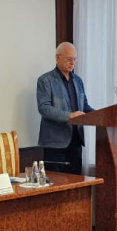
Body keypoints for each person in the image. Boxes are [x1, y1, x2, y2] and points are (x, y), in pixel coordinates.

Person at [36, 42, 95, 175]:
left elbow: (84, 106)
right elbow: (44, 108)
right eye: (69, 59)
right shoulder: (45, 80)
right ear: (57, 58)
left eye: (74, 59)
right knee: (57, 183)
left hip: (76, 142)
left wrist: (101, 115)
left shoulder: (78, 81)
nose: (72, 63)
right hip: (55, 144)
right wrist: (69, 116)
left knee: (76, 183)